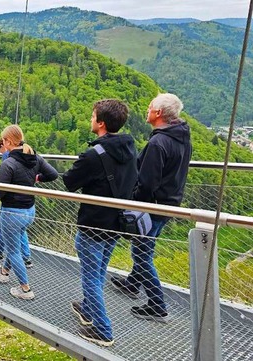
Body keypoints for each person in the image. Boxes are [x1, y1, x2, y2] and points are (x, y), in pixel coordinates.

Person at [110, 93, 191, 323]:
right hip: (170, 204)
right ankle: (133, 284)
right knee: (147, 245)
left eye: (149, 107)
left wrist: (132, 203)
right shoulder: (182, 137)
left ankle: (157, 304)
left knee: (141, 253)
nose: (146, 110)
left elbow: (147, 183)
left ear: (157, 114)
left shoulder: (158, 142)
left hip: (152, 207)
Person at [62, 99, 138, 347]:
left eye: (92, 116)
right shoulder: (130, 150)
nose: (90, 120)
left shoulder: (94, 155)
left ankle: (103, 330)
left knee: (91, 276)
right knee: (99, 271)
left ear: (101, 123)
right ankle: (86, 309)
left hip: (93, 225)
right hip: (116, 223)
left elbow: (70, 182)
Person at [0, 125, 58, 300]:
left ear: (8, 141)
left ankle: (25, 289)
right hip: (29, 211)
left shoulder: (8, 164)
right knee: (15, 245)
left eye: (3, 140)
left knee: (13, 251)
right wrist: (37, 178)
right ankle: (3, 271)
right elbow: (53, 174)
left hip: (12, 213)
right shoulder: (35, 157)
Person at [0, 137, 34, 268]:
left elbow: (1, 187)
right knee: (21, 230)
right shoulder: (27, 154)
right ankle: (26, 257)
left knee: (3, 226)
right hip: (26, 203)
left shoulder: (7, 157)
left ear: (3, 145)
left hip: (11, 203)